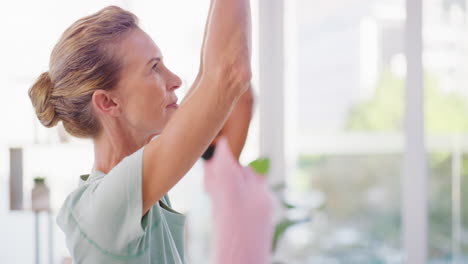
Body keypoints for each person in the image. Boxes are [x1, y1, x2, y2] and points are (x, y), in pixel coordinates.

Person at [28, 1, 273, 263]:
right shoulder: (103, 208)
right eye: (154, 67)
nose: (176, 80)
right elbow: (229, 73)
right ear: (108, 103)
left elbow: (207, 77)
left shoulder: (139, 194)